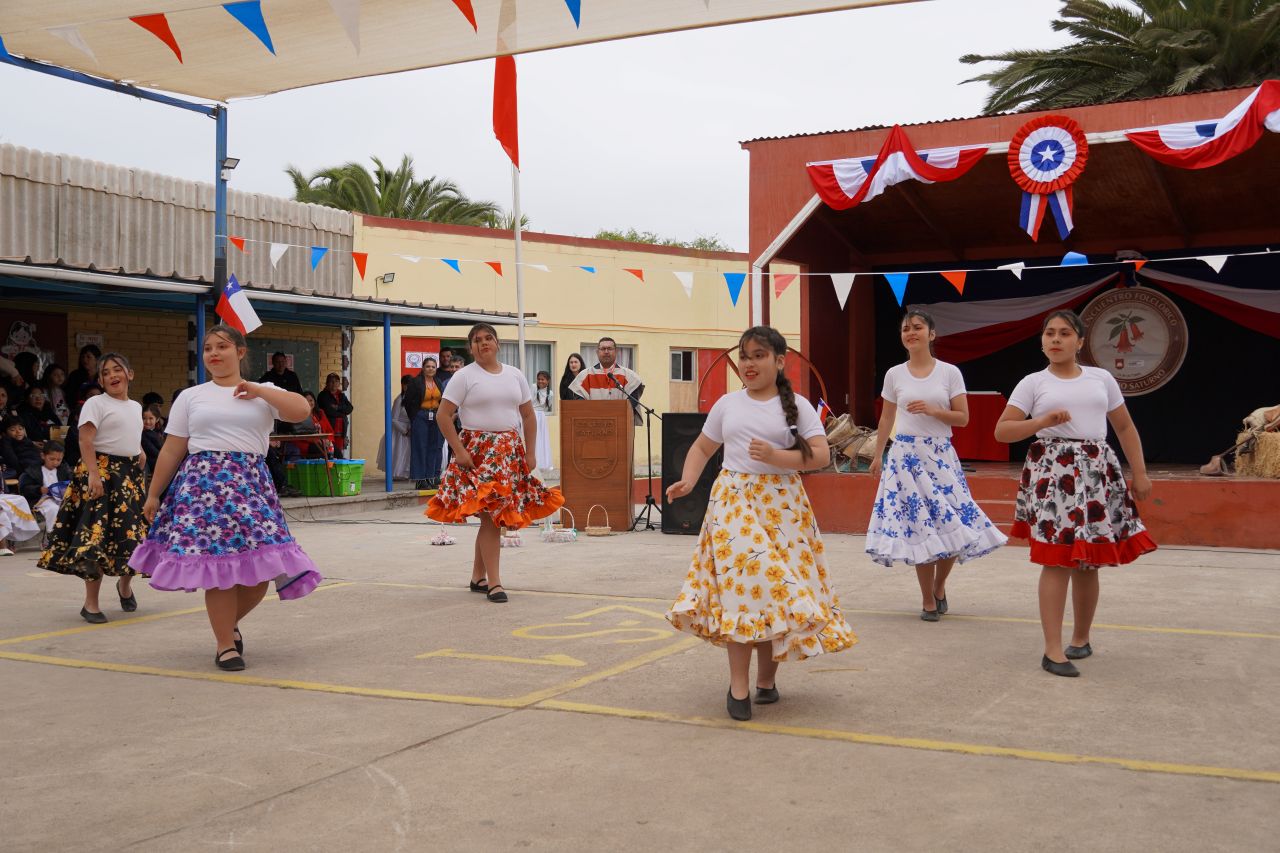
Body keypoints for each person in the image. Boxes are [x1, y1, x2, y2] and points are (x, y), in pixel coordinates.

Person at [666, 326, 856, 721]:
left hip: (783, 506)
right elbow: (703, 447)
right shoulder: (727, 404)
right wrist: (688, 480)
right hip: (734, 503)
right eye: (745, 356)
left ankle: (766, 682)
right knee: (743, 591)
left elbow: (820, 455)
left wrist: (776, 456)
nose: (749, 364)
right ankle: (739, 687)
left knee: (777, 592)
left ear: (779, 361)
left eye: (758, 356)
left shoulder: (798, 406)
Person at [129, 324, 323, 672]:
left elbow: (300, 411)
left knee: (262, 569)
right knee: (216, 569)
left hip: (251, 486)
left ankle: (227, 623)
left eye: (222, 346)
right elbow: (173, 449)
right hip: (203, 488)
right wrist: (153, 494)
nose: (214, 354)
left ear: (240, 352)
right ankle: (224, 644)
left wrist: (261, 390)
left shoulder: (264, 392)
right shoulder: (191, 397)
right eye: (208, 349)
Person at [995, 310, 1157, 678]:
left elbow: (1125, 426)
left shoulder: (1101, 378)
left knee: (1089, 561)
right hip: (1053, 474)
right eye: (1049, 333)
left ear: (1080, 341)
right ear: (1042, 341)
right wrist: (1040, 422)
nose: (1055, 339)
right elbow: (1002, 431)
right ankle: (1052, 649)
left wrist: (1141, 473)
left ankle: (1081, 639)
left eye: (1064, 333)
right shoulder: (1033, 382)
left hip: (1097, 471)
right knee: (1056, 559)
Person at [865, 309, 1007, 621]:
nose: (910, 332)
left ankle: (939, 586)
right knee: (920, 528)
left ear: (932, 334)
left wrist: (932, 410)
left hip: (940, 455)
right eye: (905, 328)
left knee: (954, 524)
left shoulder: (949, 373)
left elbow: (963, 418)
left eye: (917, 327)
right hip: (904, 457)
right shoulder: (894, 374)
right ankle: (927, 599)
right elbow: (887, 417)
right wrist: (878, 454)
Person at [426, 323, 564, 604]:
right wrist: (459, 451)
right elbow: (443, 416)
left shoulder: (514, 375)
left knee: (491, 518)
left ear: (497, 343)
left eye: (488, 338)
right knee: (491, 518)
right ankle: (495, 583)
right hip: (478, 452)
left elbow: (527, 416)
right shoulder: (464, 376)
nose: (483, 343)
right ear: (471, 347)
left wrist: (530, 452)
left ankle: (478, 576)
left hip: (508, 452)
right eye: (477, 340)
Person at [38, 353, 147, 623]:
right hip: (101, 473)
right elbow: (87, 441)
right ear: (100, 380)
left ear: (130, 374)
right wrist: (94, 476)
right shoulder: (96, 403)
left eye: (117, 369)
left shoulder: (134, 406)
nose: (112, 375)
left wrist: (140, 452)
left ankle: (124, 586)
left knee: (133, 537)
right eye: (106, 372)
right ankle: (91, 604)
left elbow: (130, 434)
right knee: (94, 540)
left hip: (129, 476)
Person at [569, 337, 644, 424]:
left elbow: (632, 402)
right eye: (603, 349)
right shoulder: (585, 375)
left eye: (609, 349)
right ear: (597, 352)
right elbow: (579, 404)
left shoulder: (629, 376)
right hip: (593, 426)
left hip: (620, 425)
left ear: (616, 352)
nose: (606, 352)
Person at [405, 358, 447, 489]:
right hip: (421, 416)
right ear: (423, 368)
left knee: (434, 447)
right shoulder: (416, 382)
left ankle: (431, 477)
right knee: (420, 447)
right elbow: (407, 401)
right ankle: (420, 479)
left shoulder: (438, 382)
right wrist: (415, 416)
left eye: (433, 367)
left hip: (435, 416)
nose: (431, 369)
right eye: (428, 366)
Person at [19, 440, 71, 545]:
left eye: (59, 460)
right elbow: (24, 488)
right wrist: (39, 489)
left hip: (62, 499)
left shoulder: (64, 469)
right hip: (41, 500)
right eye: (52, 459)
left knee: (70, 508)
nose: (55, 462)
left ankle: (69, 538)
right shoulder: (33, 470)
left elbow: (72, 482)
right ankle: (51, 537)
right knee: (53, 508)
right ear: (43, 456)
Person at [377, 375, 413, 481]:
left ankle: (407, 474)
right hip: (400, 431)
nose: (409, 388)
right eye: (407, 385)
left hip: (410, 429)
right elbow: (393, 419)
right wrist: (404, 431)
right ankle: (397, 474)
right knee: (399, 452)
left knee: (408, 454)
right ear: (403, 386)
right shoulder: (399, 400)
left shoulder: (414, 399)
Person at [317, 373, 353, 459]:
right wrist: (342, 412)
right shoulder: (323, 395)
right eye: (331, 382)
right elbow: (329, 411)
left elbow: (350, 408)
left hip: (341, 430)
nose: (334, 384)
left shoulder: (341, 395)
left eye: (336, 381)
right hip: (329, 428)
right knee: (330, 450)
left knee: (339, 450)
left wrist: (337, 407)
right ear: (327, 383)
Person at [530, 370, 554, 471]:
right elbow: (529, 401)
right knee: (533, 439)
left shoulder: (551, 394)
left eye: (543, 379)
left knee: (542, 439)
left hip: (542, 417)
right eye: (539, 379)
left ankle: (542, 462)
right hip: (533, 415)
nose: (540, 381)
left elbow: (548, 406)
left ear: (548, 381)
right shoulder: (533, 387)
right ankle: (533, 461)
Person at [141, 404, 166, 478]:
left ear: (157, 419)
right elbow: (151, 450)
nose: (147, 421)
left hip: (159, 461)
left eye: (151, 418)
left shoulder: (159, 432)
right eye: (144, 418)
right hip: (149, 463)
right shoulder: (142, 434)